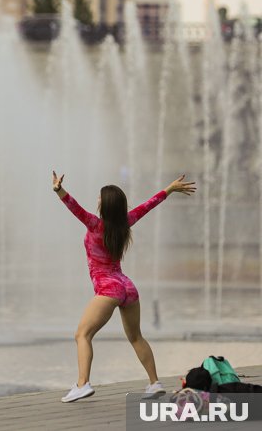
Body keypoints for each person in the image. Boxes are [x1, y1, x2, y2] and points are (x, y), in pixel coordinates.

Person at [52, 171, 196, 402]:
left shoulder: (94, 224)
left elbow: (74, 207)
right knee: (136, 336)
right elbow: (148, 205)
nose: (97, 200)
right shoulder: (126, 222)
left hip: (109, 288)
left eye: (100, 198)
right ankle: (154, 383)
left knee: (82, 334)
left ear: (105, 204)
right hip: (127, 287)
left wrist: (59, 190)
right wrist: (169, 189)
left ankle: (82, 384)